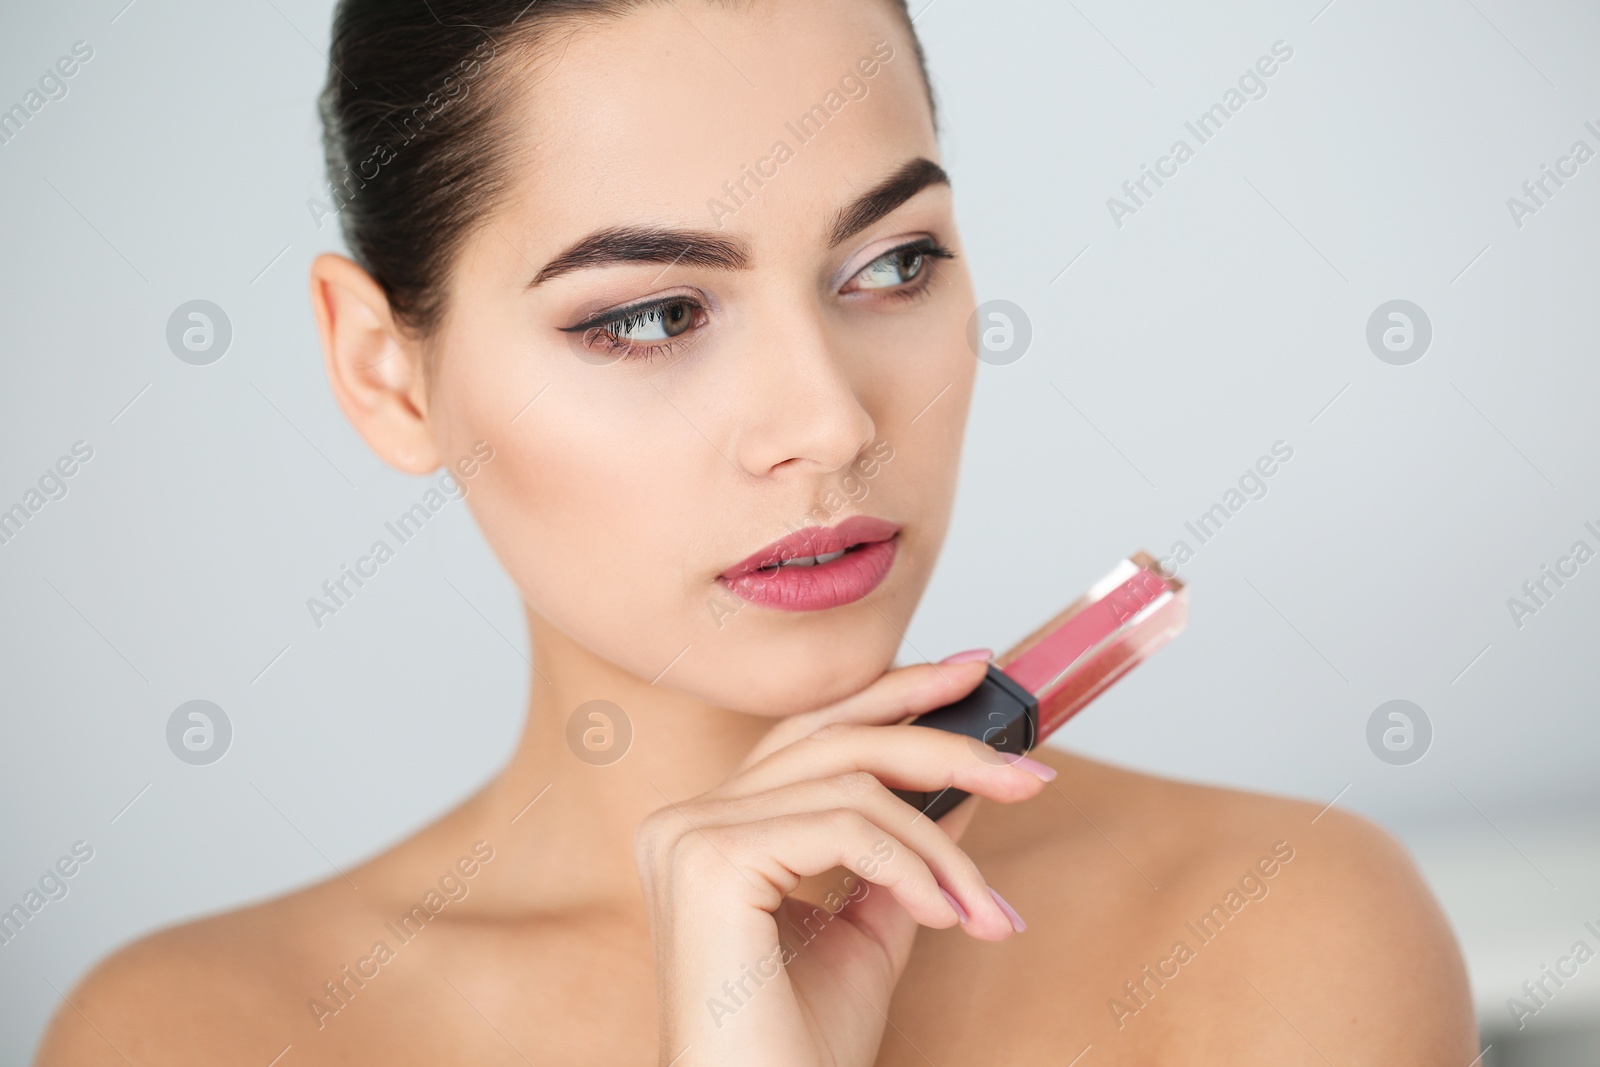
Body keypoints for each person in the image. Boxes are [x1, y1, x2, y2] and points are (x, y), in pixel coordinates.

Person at [37, 1, 1476, 1063]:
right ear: (381, 368)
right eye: (653, 313)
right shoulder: (192, 1035)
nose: (832, 421)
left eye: (892, 262)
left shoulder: (1286, 930)